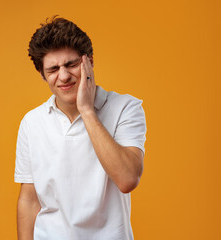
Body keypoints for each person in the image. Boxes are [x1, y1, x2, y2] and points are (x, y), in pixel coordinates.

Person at [14, 16, 147, 240]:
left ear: (90, 61)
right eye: (53, 69)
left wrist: (86, 110)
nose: (64, 76)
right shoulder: (31, 122)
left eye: (71, 64)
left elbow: (127, 179)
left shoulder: (126, 108)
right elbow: (29, 200)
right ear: (42, 74)